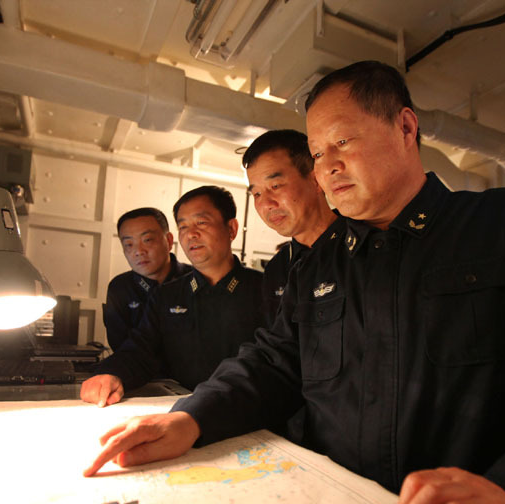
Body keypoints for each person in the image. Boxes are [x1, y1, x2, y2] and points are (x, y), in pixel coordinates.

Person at [82, 61, 505, 504]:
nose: (327, 167)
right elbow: (276, 361)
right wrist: (193, 416)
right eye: (316, 154)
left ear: (406, 127)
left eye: (343, 143)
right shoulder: (321, 265)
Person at [81, 186, 264, 406]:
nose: (190, 234)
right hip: (183, 409)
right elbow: (140, 350)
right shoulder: (167, 295)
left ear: (231, 229)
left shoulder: (265, 289)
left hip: (248, 409)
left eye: (201, 223)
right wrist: (111, 373)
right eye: (183, 226)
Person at [243, 129, 341, 324]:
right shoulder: (278, 268)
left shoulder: (362, 245)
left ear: (316, 180)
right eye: (257, 194)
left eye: (276, 186)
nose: (265, 204)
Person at [103, 207, 192, 351]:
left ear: (169, 241)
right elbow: (120, 345)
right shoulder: (119, 288)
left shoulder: (195, 279)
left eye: (147, 240)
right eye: (129, 245)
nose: (138, 251)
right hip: (137, 371)